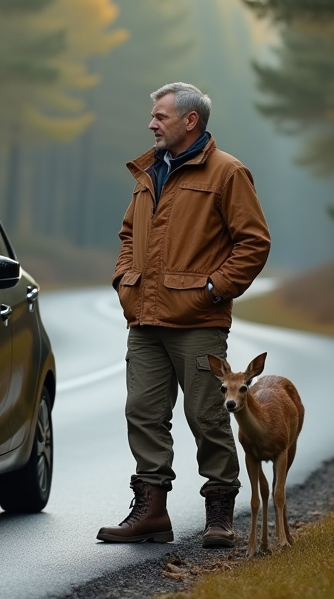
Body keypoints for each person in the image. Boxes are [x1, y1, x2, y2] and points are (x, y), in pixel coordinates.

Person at [97, 82, 270, 548]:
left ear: (190, 121)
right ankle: (151, 513)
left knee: (207, 416)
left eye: (161, 116)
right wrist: (124, 281)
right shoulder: (147, 172)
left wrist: (214, 289)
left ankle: (220, 515)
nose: (151, 124)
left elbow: (253, 242)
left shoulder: (227, 173)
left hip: (197, 321)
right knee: (144, 414)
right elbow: (128, 235)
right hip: (145, 320)